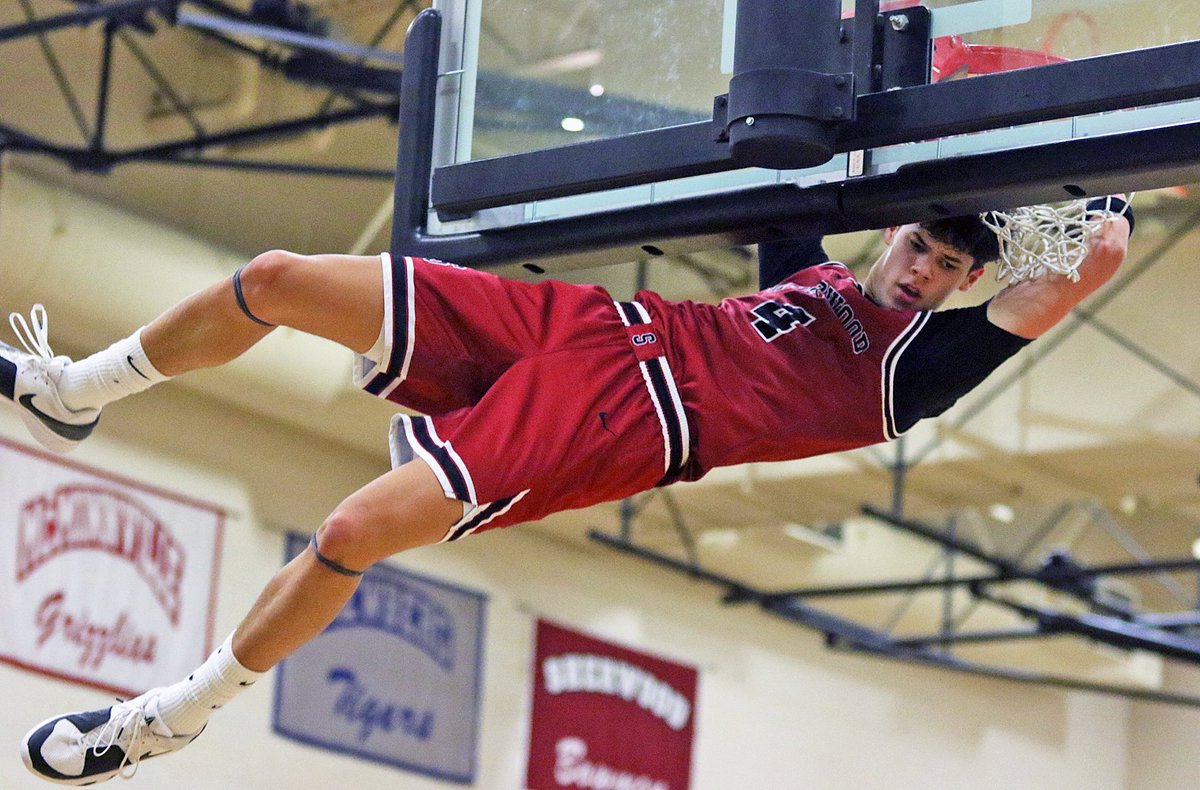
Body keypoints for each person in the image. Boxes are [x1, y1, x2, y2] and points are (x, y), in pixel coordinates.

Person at [4, 198, 1131, 785]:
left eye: (950, 268)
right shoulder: (818, 276)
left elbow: (1102, 257)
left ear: (970, 282)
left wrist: (1093, 179)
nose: (925, 271)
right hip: (593, 326)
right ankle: (77, 391)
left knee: (353, 527)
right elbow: (800, 146)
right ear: (897, 229)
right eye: (922, 246)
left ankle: (168, 718)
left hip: (635, 419)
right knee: (276, 279)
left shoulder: (917, 371)